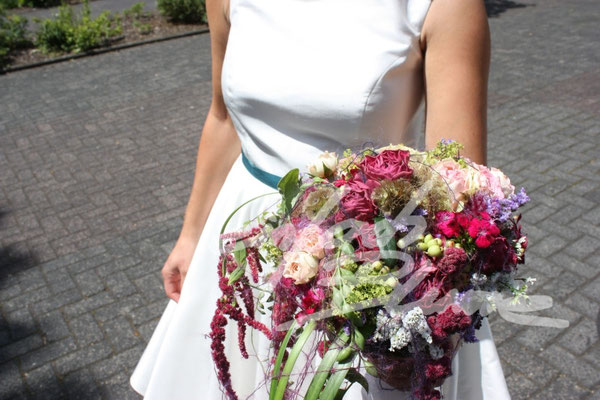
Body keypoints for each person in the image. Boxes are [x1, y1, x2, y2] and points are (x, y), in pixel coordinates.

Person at [130, 0, 511, 398]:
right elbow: (224, 119)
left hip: (361, 257)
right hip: (243, 236)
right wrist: (190, 235)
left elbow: (458, 184)